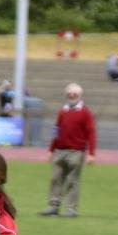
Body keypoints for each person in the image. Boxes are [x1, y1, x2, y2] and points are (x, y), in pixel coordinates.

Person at [40, 83, 96, 218]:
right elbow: (56, 132)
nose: (71, 96)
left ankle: (71, 209)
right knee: (55, 179)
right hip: (60, 150)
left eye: (74, 94)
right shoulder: (62, 111)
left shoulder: (85, 113)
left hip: (76, 151)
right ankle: (53, 206)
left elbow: (91, 133)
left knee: (72, 181)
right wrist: (51, 150)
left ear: (80, 96)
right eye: (69, 94)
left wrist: (91, 153)